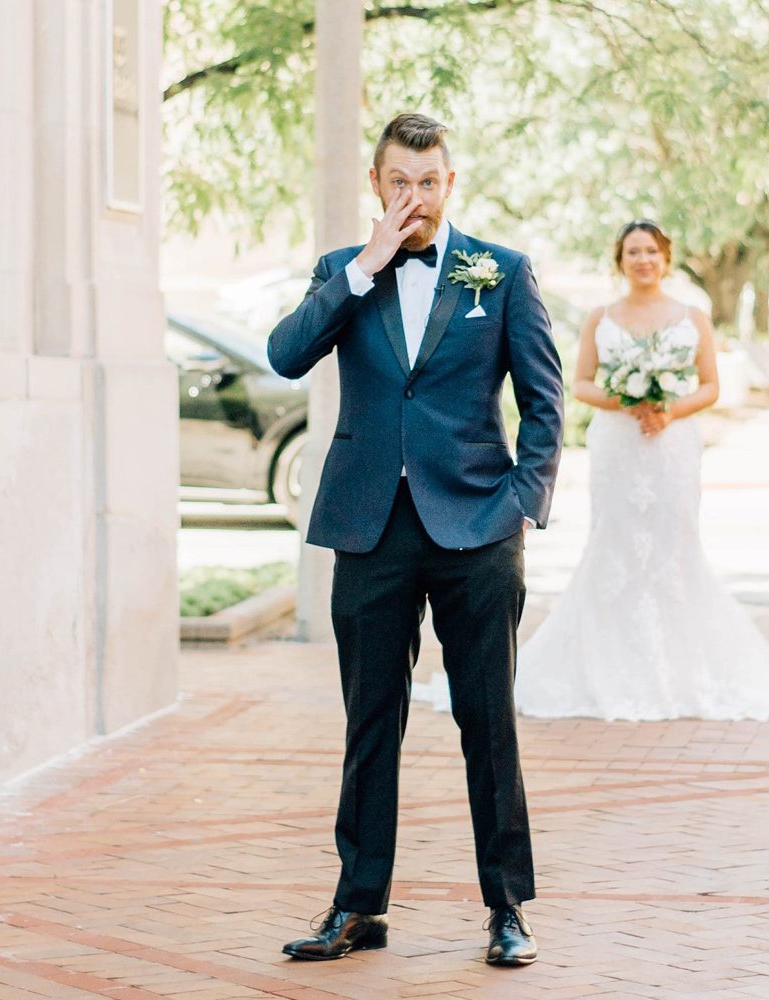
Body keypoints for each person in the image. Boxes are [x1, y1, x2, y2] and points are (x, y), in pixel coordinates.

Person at [266, 114, 564, 965]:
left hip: (476, 529)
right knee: (370, 724)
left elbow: (545, 403)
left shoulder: (500, 273)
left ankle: (508, 907)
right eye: (401, 182)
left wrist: (521, 503)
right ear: (377, 184)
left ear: (451, 184)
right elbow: (287, 355)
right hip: (368, 529)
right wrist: (361, 269)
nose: (416, 198)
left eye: (429, 183)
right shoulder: (340, 274)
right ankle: (358, 906)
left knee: (487, 722)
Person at [509, 219, 769, 722]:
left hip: (672, 446)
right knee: (615, 542)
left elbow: (710, 386)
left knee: (674, 541)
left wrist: (667, 410)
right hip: (619, 444)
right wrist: (627, 398)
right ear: (619, 260)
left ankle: (681, 668)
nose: (642, 260)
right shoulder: (601, 317)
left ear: (665, 258)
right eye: (632, 251)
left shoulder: (693, 316)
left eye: (651, 251)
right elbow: (579, 385)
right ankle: (608, 663)